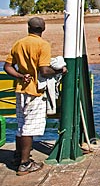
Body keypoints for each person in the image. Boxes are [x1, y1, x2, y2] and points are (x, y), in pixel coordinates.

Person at [3, 17, 67, 176]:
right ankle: (25, 164)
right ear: (43, 28)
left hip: (21, 90)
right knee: (29, 127)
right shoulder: (43, 45)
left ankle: (18, 156)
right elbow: (44, 71)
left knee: (21, 124)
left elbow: (7, 66)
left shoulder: (19, 44)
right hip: (34, 91)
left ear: (28, 27)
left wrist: (19, 75)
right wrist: (60, 71)